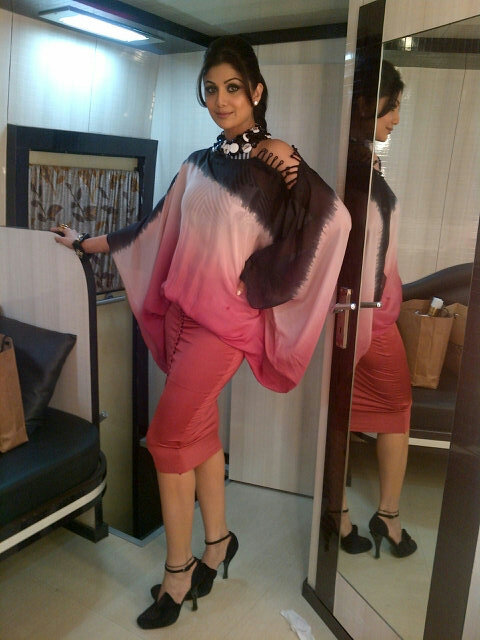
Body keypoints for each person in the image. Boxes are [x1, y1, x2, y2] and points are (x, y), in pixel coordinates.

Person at [52, 35, 351, 628]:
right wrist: (86, 243)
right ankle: (219, 542)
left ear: (257, 90)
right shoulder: (197, 163)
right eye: (211, 90)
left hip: (225, 328)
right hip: (183, 316)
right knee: (198, 434)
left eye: (233, 88)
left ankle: (178, 570)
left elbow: (332, 220)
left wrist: (259, 278)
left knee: (166, 441)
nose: (221, 100)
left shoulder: (274, 163)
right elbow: (153, 227)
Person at [338, 59, 417, 559]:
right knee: (396, 408)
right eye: (392, 107)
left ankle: (343, 513)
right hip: (368, 320)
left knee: (342, 412)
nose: (396, 118)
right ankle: (384, 515)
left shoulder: (360, 162)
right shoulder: (353, 171)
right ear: (366, 103)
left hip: (363, 318)